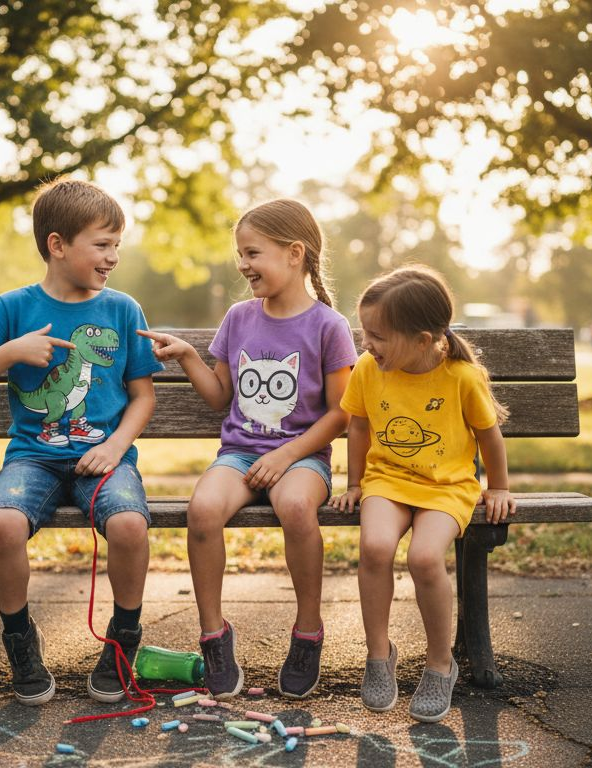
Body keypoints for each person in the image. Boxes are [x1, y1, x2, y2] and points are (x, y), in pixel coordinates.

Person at [0, 178, 163, 706]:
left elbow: (143, 397)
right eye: (102, 244)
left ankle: (123, 638)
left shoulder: (122, 309)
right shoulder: (13, 307)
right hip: (33, 458)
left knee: (131, 525)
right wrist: (12, 351)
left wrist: (116, 447)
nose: (113, 256)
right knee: (2, 524)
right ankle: (19, 638)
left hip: (103, 456)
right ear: (58, 245)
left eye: (117, 245)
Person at [138, 199, 356, 699]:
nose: (243, 265)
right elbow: (220, 398)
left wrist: (285, 456)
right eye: (240, 254)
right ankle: (214, 636)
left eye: (252, 253)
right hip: (238, 454)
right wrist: (191, 356)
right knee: (203, 509)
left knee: (296, 505)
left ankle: (307, 632)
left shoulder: (329, 326)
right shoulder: (238, 317)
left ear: (295, 253)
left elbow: (341, 414)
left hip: (302, 457)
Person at [330, 264, 516, 722]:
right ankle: (378, 655)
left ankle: (439, 664)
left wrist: (499, 487)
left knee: (425, 558)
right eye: (365, 332)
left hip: (447, 486)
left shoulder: (461, 378)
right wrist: (355, 483)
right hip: (387, 480)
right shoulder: (371, 369)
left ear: (422, 339)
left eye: (377, 334)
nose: (366, 344)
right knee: (374, 547)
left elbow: (489, 436)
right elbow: (357, 426)